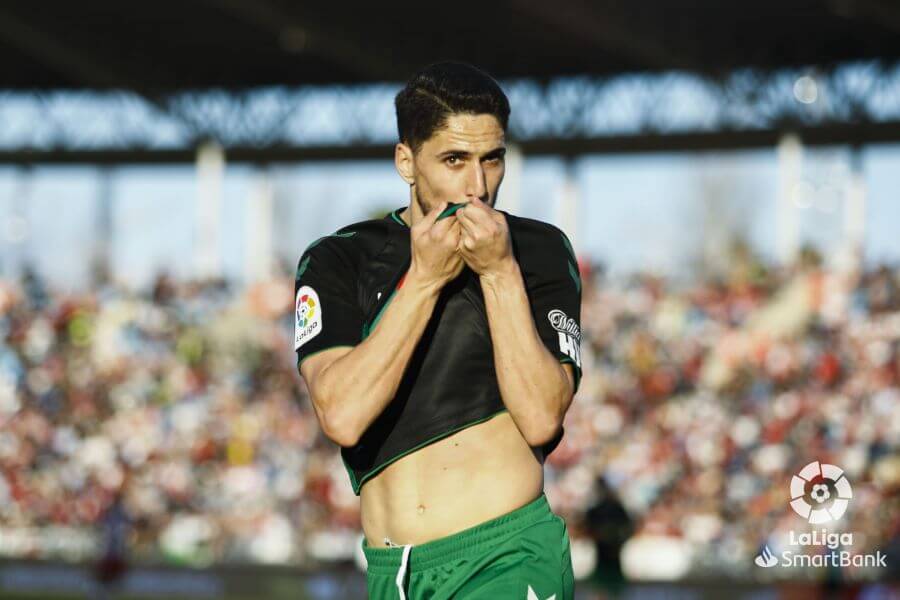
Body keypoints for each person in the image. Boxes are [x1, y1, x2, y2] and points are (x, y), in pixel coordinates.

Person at [294, 61, 582, 599]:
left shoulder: (538, 251)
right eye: (454, 160)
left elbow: (543, 418)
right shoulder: (339, 259)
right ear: (407, 160)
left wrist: (499, 273)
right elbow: (342, 415)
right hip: (391, 573)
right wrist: (424, 281)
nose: (477, 186)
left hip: (507, 557)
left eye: (492, 159)